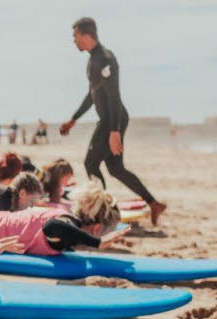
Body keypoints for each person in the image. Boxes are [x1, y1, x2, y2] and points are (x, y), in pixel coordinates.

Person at [59, 18, 166, 225]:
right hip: (110, 120)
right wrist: (73, 120)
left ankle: (101, 213)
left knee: (90, 163)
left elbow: (114, 96)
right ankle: (154, 204)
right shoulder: (93, 60)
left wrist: (114, 131)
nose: (74, 41)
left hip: (112, 119)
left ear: (87, 35)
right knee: (116, 169)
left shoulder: (105, 59)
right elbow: (92, 95)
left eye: (76, 36)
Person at [0, 181, 129, 255]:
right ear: (97, 229)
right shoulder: (68, 223)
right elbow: (52, 227)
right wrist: (97, 242)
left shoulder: (67, 217)